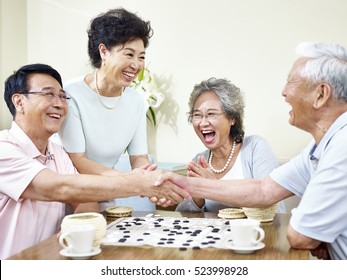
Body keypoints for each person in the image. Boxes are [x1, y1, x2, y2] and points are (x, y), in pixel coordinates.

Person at [156, 42, 347, 260]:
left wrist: (315, 235)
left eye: (291, 83)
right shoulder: (317, 148)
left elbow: (300, 235)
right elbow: (264, 190)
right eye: (197, 115)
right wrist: (185, 184)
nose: (284, 93)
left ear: (321, 94)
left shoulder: (342, 148)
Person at [0, 63, 189, 259]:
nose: (59, 103)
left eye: (62, 96)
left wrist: (78, 226)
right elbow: (56, 187)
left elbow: (85, 201)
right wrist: (139, 184)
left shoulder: (57, 153)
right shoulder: (4, 149)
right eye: (48, 94)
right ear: (19, 102)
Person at [58, 8, 154, 211]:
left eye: (141, 57)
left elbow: (138, 157)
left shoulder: (136, 101)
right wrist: (129, 181)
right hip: (70, 194)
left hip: (106, 193)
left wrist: (150, 179)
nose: (136, 65)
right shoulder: (71, 94)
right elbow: (78, 161)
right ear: (104, 51)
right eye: (129, 54)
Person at [176, 78, 285, 213]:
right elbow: (180, 215)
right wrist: (197, 199)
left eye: (211, 114)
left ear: (232, 118)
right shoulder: (199, 162)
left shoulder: (255, 148)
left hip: (254, 233)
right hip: (214, 234)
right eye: (197, 115)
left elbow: (275, 209)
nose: (203, 123)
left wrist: (214, 187)